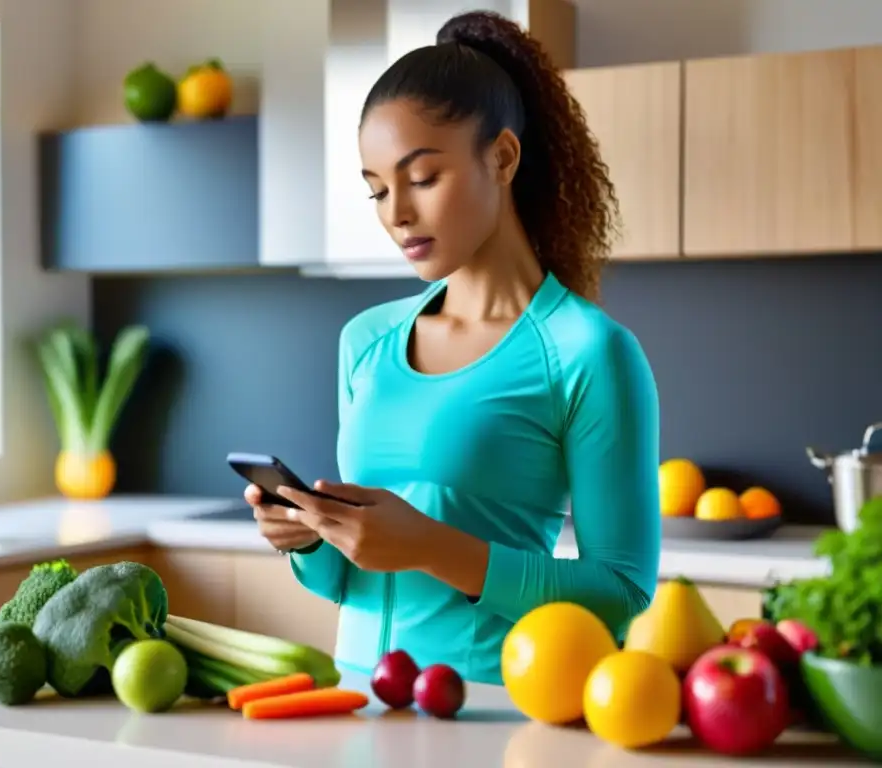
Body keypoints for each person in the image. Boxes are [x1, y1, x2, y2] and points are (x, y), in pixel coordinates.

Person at [244, 9, 661, 685]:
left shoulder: (589, 352)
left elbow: (621, 592)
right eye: (377, 190)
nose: (396, 213)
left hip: (491, 707)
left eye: (423, 178)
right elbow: (350, 585)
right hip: (357, 699)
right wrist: (311, 541)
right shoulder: (366, 341)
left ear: (501, 157)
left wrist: (434, 546)